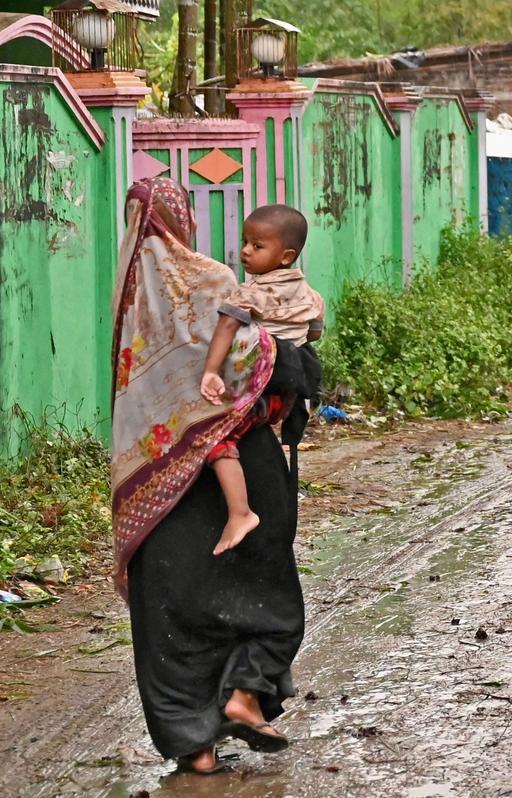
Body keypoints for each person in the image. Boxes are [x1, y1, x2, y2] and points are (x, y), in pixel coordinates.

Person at [111, 178, 316, 774]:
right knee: (264, 589)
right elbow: (276, 368)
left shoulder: (128, 301)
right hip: (243, 465)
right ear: (183, 222)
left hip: (157, 478)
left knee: (169, 611)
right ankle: (245, 693)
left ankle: (192, 744)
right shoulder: (219, 284)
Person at [200, 205, 325, 556]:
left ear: (286, 256)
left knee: (216, 437)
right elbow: (313, 334)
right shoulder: (312, 296)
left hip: (259, 390)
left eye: (257, 246)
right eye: (245, 242)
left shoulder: (249, 294)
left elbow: (226, 327)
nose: (245, 251)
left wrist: (211, 371)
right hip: (286, 394)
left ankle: (240, 512)